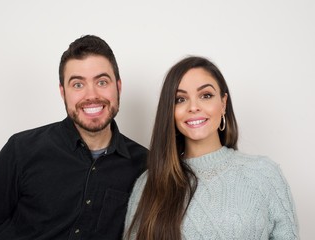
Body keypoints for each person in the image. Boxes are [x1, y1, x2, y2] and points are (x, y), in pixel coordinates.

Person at [0, 35, 148, 240]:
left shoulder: (145, 165)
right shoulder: (21, 149)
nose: (91, 95)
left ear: (118, 87)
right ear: (63, 92)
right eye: (78, 84)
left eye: (102, 82)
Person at [123, 56, 299, 240]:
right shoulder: (149, 184)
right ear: (170, 111)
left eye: (205, 95)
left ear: (223, 103)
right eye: (180, 99)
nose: (193, 107)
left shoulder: (264, 174)